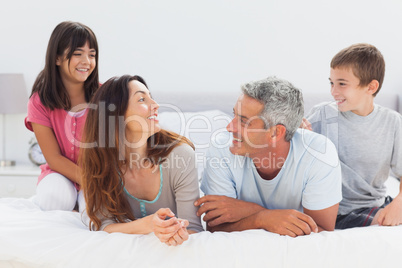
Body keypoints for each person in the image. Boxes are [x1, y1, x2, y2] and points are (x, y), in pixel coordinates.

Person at [196, 76, 342, 237]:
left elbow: (320, 233)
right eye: (234, 115)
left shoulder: (319, 153)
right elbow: (216, 228)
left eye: (243, 121)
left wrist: (252, 212)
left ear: (275, 133)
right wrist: (262, 218)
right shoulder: (221, 148)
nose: (229, 127)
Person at [79, 75, 203, 246]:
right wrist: (148, 224)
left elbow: (194, 228)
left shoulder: (180, 155)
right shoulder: (101, 163)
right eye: (142, 99)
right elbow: (104, 226)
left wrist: (178, 233)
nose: (156, 105)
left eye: (151, 96)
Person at [306, 43, 402, 229]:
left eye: (342, 84)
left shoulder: (393, 122)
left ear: (371, 87)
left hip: (375, 204)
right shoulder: (322, 115)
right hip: (336, 211)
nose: (334, 91)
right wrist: (301, 138)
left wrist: (399, 203)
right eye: (331, 83)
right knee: (383, 223)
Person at [25, 21, 99, 211]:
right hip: (58, 174)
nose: (87, 61)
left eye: (92, 55)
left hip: (97, 175)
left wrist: (97, 184)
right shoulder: (39, 101)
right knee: (54, 197)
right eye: (78, 54)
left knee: (95, 210)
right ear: (57, 58)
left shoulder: (104, 96)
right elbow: (53, 157)